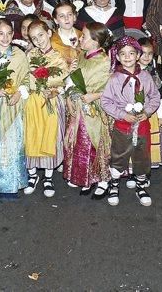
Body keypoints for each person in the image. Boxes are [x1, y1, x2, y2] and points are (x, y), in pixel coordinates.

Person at [100, 36, 162, 206]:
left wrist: (147, 112)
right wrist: (121, 114)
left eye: (131, 53)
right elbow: (106, 101)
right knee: (118, 155)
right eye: (123, 54)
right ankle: (114, 184)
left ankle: (141, 185)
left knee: (141, 155)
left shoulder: (146, 76)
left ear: (137, 55)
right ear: (118, 57)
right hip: (123, 125)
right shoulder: (114, 79)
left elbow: (155, 97)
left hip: (142, 125)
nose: (127, 57)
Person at [0, 18, 30, 199]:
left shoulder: (19, 54)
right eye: (1, 33)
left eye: (9, 33)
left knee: (15, 143)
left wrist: (19, 93)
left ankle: (14, 182)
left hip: (15, 105)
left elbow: (27, 78)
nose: (5, 37)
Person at [62, 22, 112, 198]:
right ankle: (88, 177)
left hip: (94, 111)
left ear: (95, 41)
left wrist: (95, 96)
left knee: (95, 144)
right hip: (78, 109)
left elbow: (110, 87)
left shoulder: (104, 61)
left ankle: (103, 180)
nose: (80, 38)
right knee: (81, 145)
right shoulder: (82, 55)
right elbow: (74, 79)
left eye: (84, 36)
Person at [23, 19, 72, 198]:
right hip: (33, 101)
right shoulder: (29, 55)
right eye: (34, 38)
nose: (39, 40)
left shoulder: (59, 57)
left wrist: (56, 90)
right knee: (32, 135)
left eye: (41, 35)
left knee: (50, 136)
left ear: (49, 33)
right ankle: (32, 174)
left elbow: (65, 81)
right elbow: (25, 77)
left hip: (51, 101)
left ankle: (49, 177)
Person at [138, 37, 162, 170]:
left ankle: (144, 169)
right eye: (143, 53)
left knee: (149, 140)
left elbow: (159, 96)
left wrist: (161, 116)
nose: (147, 57)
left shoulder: (153, 72)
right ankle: (133, 170)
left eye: (150, 54)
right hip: (134, 112)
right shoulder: (129, 70)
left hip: (151, 113)